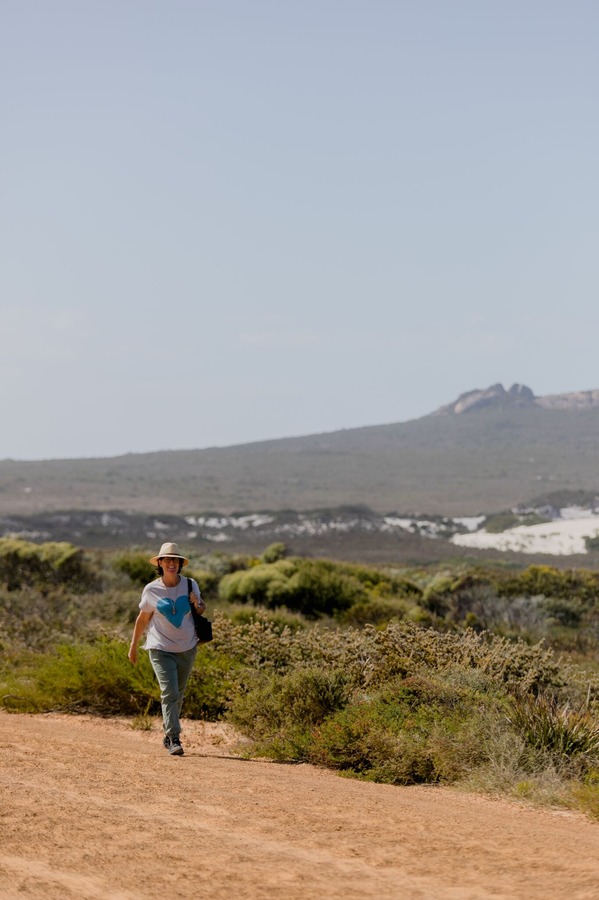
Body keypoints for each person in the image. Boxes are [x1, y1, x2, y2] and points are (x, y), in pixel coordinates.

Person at [128, 541, 205, 756]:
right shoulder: (151, 589)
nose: (171, 563)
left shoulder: (190, 584)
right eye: (167, 560)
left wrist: (197, 603)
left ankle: (167, 732)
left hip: (187, 647)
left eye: (175, 560)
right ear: (160, 563)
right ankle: (173, 737)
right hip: (160, 647)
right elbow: (142, 620)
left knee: (178, 694)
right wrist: (133, 646)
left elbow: (201, 609)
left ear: (180, 564)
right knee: (169, 691)